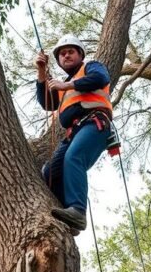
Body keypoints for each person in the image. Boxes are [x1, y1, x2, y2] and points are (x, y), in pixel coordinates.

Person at [34, 34, 113, 233]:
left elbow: (101, 78)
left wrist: (66, 85)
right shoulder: (65, 86)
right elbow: (47, 103)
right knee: (50, 172)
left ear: (80, 54)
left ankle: (78, 210)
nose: (66, 56)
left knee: (74, 157)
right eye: (62, 54)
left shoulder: (91, 67)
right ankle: (67, 214)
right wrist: (41, 72)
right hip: (73, 131)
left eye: (70, 52)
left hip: (94, 123)